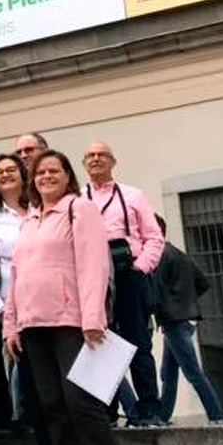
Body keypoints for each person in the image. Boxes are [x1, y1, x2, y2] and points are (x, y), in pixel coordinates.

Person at [3, 150, 130, 445]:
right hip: (34, 326)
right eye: (40, 172)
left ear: (67, 175)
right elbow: (17, 276)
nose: (46, 176)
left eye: (53, 170)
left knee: (82, 404)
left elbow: (94, 264)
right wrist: (12, 323)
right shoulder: (29, 221)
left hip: (73, 322)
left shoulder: (79, 209)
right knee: (53, 408)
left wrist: (93, 316)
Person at [0, 154, 55, 445]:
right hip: (19, 316)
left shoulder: (44, 208)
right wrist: (1, 309)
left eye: (12, 170)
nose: (6, 175)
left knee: (67, 388)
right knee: (35, 390)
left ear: (24, 175)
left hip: (58, 307)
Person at [82, 141, 166, 426]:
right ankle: (106, 411)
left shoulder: (133, 195)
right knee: (100, 342)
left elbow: (154, 237)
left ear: (113, 161)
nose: (96, 160)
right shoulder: (78, 199)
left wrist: (140, 268)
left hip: (128, 273)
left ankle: (149, 408)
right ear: (84, 163)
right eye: (90, 156)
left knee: (138, 341)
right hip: (93, 277)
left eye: (101, 155)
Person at [152, 215, 223, 424]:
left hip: (174, 321)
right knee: (168, 372)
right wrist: (185, 302)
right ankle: (163, 417)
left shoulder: (160, 255)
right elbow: (202, 282)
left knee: (192, 372)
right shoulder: (178, 253)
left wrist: (167, 305)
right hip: (184, 319)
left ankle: (216, 416)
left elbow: (155, 291)